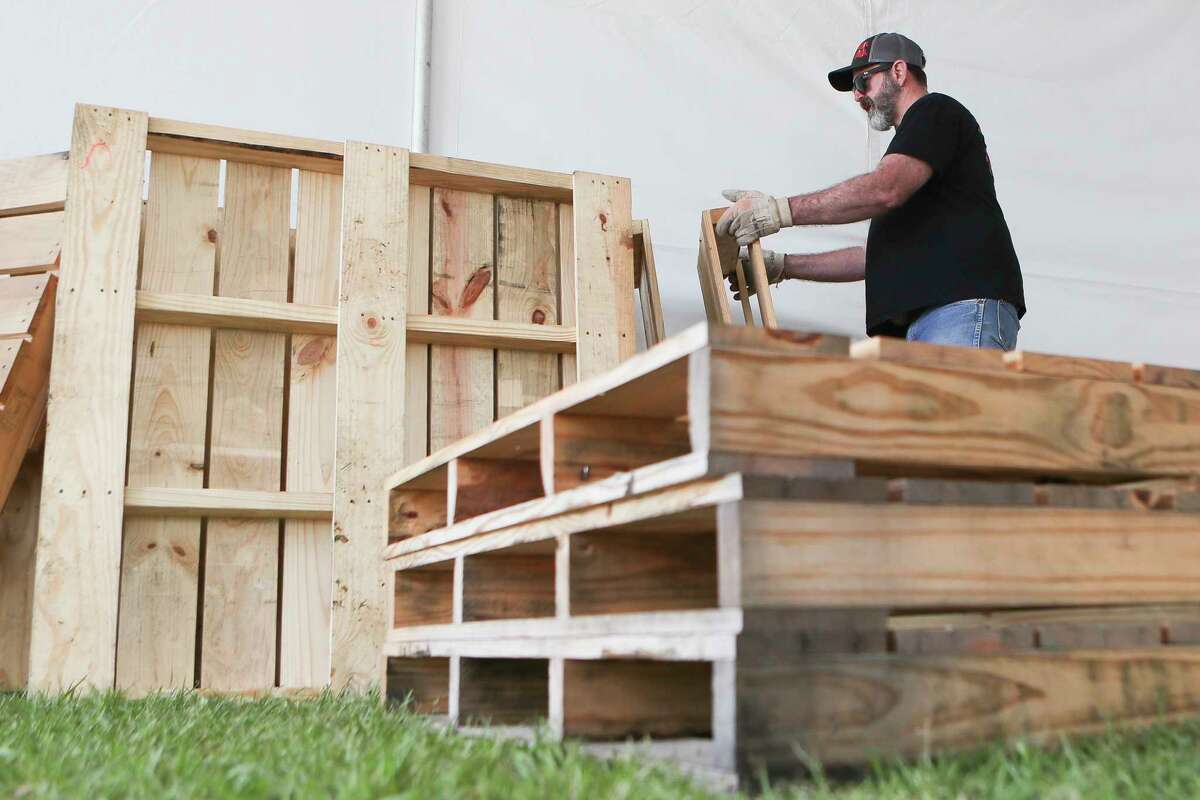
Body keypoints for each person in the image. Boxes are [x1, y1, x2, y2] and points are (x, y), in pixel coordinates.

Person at [717, 32, 1026, 350]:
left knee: (953, 401)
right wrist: (783, 266)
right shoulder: (920, 151)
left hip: (958, 311)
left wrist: (777, 212)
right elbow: (873, 259)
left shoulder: (934, 112)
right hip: (934, 319)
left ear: (899, 72)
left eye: (863, 81)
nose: (856, 95)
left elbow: (883, 189)